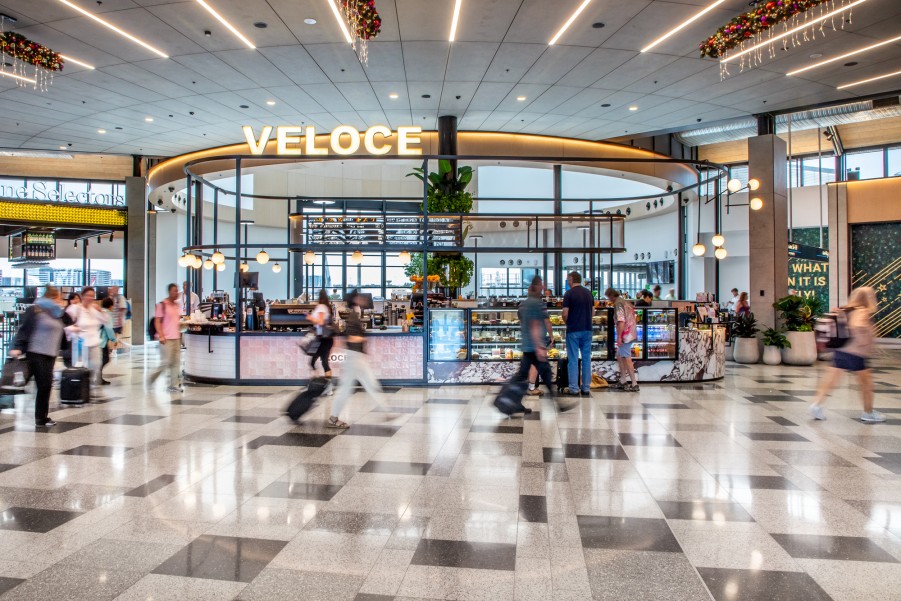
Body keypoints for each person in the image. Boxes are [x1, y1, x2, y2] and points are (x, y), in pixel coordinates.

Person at [809, 287, 884, 423]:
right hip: (855, 352)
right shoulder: (861, 311)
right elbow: (857, 326)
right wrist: (864, 342)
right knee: (866, 384)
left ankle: (816, 405)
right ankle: (868, 412)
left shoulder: (845, 309)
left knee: (830, 380)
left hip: (841, 350)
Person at [11, 286, 66, 427]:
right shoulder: (36, 310)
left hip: (50, 353)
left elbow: (66, 325)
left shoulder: (56, 313)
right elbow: (23, 329)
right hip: (36, 351)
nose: (61, 300)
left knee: (41, 385)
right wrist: (17, 346)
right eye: (58, 298)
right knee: (44, 384)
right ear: (51, 298)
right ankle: (41, 418)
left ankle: (41, 418)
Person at [516, 276, 573, 411]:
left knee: (523, 375)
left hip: (527, 345)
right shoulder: (538, 304)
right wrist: (542, 345)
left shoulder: (523, 304)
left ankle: (513, 401)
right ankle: (558, 405)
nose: (543, 288)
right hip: (535, 347)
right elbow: (537, 325)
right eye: (542, 285)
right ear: (536, 287)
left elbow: (522, 320)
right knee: (546, 375)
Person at [329, 290, 384, 428]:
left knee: (364, 385)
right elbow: (350, 337)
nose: (363, 298)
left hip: (355, 356)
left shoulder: (354, 313)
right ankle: (387, 411)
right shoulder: (353, 316)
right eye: (359, 296)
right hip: (353, 357)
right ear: (355, 299)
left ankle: (386, 411)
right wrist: (363, 338)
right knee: (366, 385)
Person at [66, 287, 106, 397]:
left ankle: (89, 388)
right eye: (88, 295)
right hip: (80, 343)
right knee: (80, 366)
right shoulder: (75, 309)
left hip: (94, 342)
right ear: (82, 296)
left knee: (96, 365)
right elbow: (66, 324)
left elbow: (105, 321)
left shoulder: (94, 309)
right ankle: (79, 389)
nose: (90, 298)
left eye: (92, 296)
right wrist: (75, 329)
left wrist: (101, 311)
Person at [562, 271, 593, 397]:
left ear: (571, 279)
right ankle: (586, 388)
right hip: (588, 329)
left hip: (573, 330)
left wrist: (567, 322)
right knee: (586, 359)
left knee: (573, 360)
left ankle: (574, 388)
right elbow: (593, 312)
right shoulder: (588, 293)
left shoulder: (568, 294)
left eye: (568, 280)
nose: (567, 282)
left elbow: (565, 313)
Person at [149, 283, 183, 393]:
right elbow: (157, 321)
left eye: (177, 291)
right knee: (166, 362)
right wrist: (161, 335)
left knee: (176, 362)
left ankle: (173, 385)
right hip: (166, 338)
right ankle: (152, 378)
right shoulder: (162, 305)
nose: (176, 293)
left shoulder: (176, 305)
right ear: (169, 292)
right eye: (174, 291)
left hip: (176, 337)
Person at [606, 287, 639, 392]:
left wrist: (619, 337)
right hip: (631, 332)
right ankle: (623, 380)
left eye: (608, 297)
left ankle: (634, 383)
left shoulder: (618, 304)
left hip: (626, 334)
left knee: (626, 357)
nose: (609, 299)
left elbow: (621, 321)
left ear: (611, 296)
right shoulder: (625, 302)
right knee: (620, 356)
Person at [308, 289, 335, 382]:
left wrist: (310, 317)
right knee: (324, 363)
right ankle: (327, 387)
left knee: (313, 362)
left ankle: (315, 385)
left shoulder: (321, 307)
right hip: (326, 339)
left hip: (322, 339)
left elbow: (321, 322)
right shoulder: (326, 307)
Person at [99, 296, 118, 385]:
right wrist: (114, 339)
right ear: (110, 306)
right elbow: (109, 328)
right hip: (102, 341)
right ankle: (97, 377)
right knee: (105, 359)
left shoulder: (100, 312)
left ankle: (97, 376)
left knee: (101, 359)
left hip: (96, 340)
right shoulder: (107, 315)